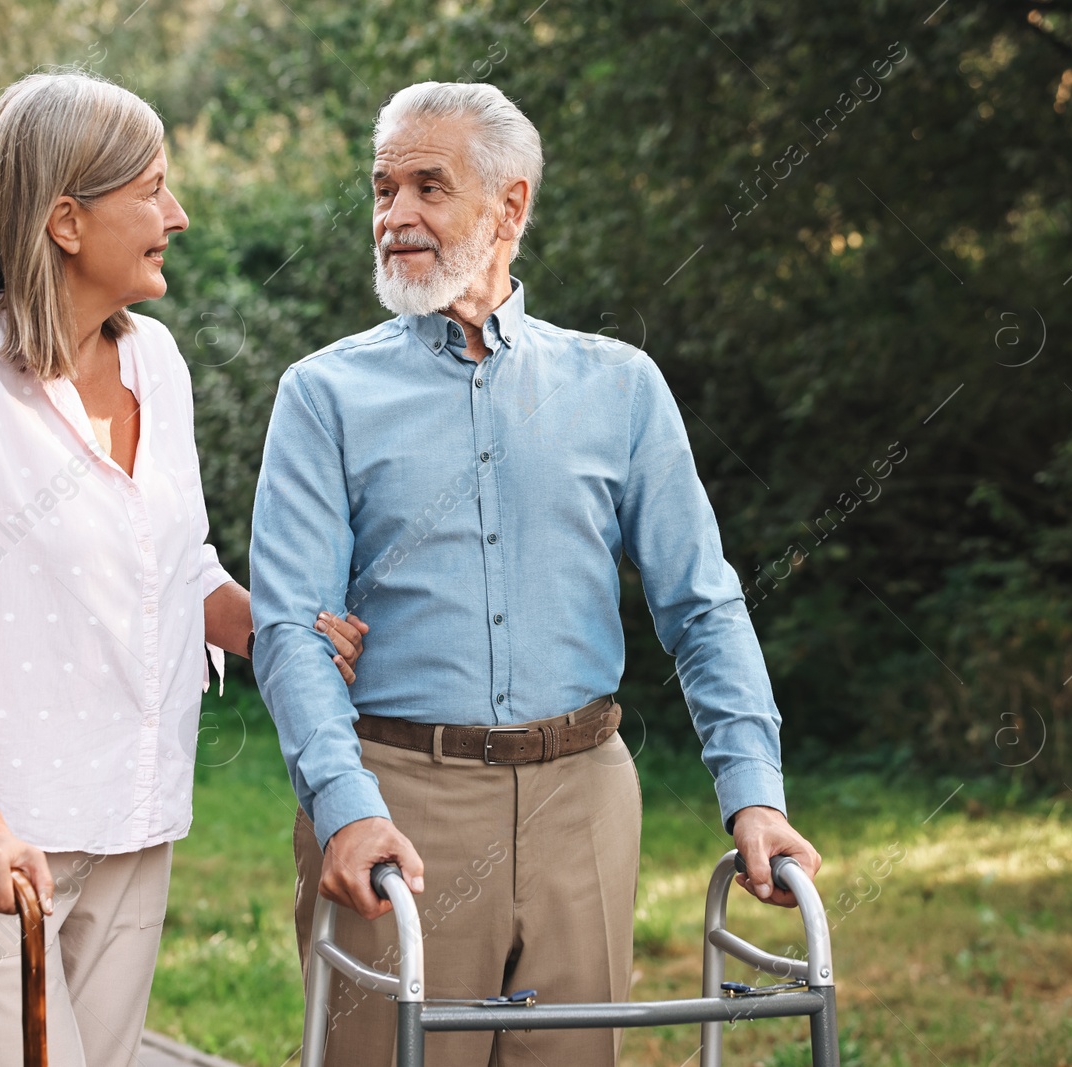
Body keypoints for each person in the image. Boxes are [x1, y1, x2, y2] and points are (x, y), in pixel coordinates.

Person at [249, 81, 822, 1067]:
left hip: (583, 801)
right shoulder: (324, 393)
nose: (395, 216)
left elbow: (703, 604)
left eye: (429, 187)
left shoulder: (619, 385)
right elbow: (290, 630)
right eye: (382, 189)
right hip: (398, 800)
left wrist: (753, 793)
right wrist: (345, 808)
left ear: (510, 205)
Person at [0, 70, 367, 1067]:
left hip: (131, 817)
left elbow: (177, 563)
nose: (179, 213)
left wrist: (272, 627)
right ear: (67, 221)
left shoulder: (158, 362)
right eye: (152, 189)